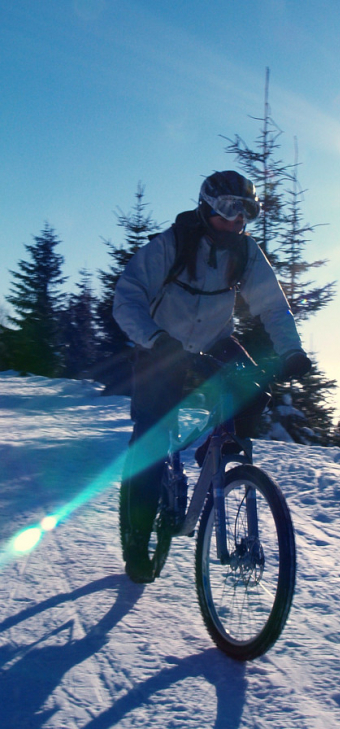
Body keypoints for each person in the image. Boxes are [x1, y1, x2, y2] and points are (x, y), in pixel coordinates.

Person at [113, 170, 311, 583]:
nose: (236, 220)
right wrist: (153, 337)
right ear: (206, 206)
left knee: (254, 396)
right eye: (227, 209)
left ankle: (213, 458)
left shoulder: (246, 253)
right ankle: (136, 536)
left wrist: (291, 351)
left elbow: (273, 307)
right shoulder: (172, 244)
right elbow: (127, 295)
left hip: (213, 342)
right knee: (150, 437)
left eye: (246, 213)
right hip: (160, 347)